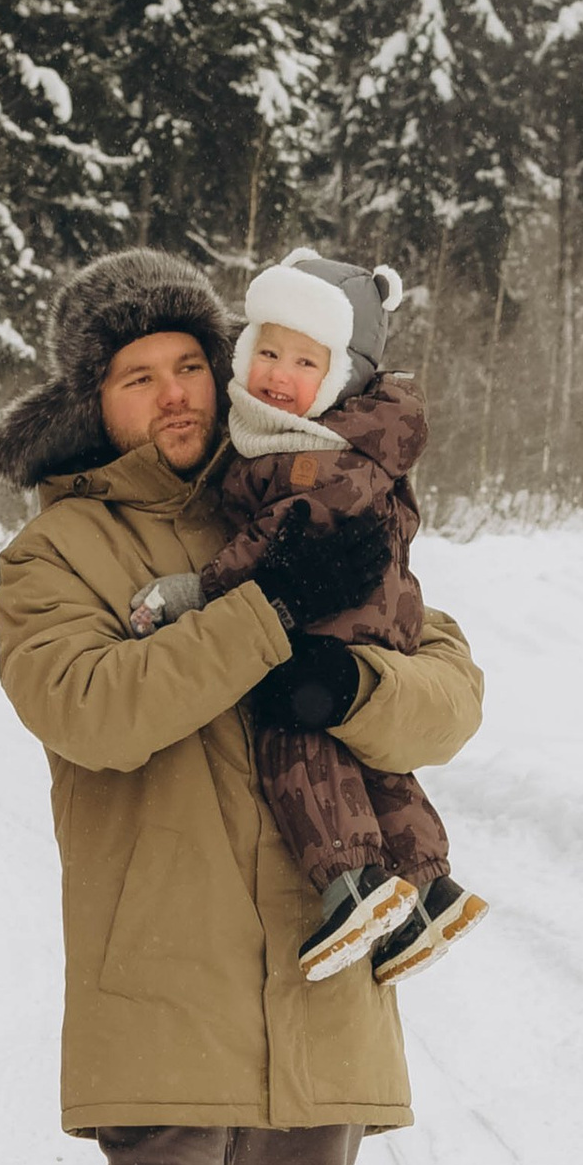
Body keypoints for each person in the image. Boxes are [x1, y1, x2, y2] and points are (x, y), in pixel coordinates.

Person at [0, 247, 484, 1165]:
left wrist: (351, 680)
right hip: (162, 948)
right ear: (95, 398)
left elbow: (451, 692)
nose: (174, 395)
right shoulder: (60, 549)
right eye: (135, 376)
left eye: (189, 365)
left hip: (317, 933)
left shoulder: (311, 490)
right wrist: (267, 615)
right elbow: (92, 705)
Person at [127, 245, 488, 987]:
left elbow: (277, 540)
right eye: (267, 352)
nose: (277, 376)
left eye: (304, 362)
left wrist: (200, 590)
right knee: (367, 760)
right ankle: (424, 884)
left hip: (341, 624)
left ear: (341, 380)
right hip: (373, 614)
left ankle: (351, 881)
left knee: (297, 742)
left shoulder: (309, 454)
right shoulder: (323, 440)